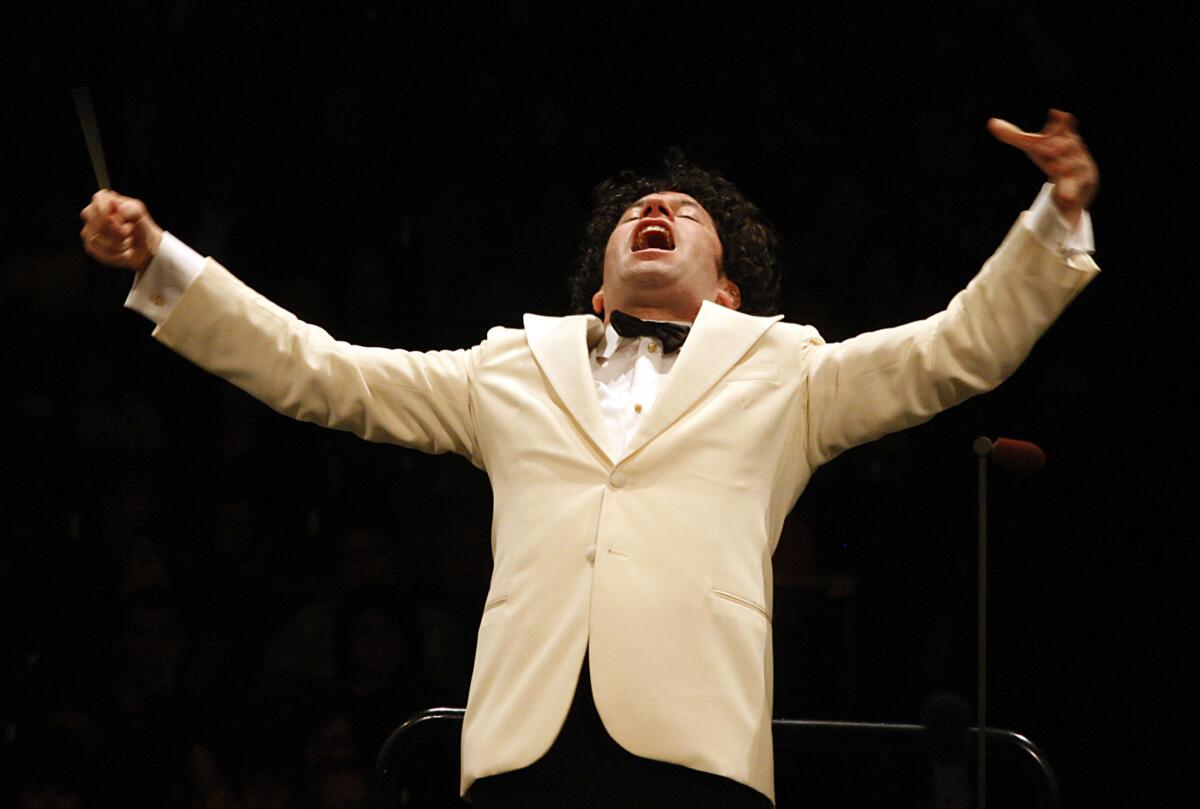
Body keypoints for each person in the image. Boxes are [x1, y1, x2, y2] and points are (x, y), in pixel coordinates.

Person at [80, 110, 1099, 808]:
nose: (655, 213)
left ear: (730, 292)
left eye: (685, 215)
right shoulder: (512, 366)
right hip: (524, 744)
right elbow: (324, 371)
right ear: (602, 289)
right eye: (634, 214)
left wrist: (1053, 218)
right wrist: (162, 262)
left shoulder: (787, 369)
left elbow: (956, 347)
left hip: (695, 744)